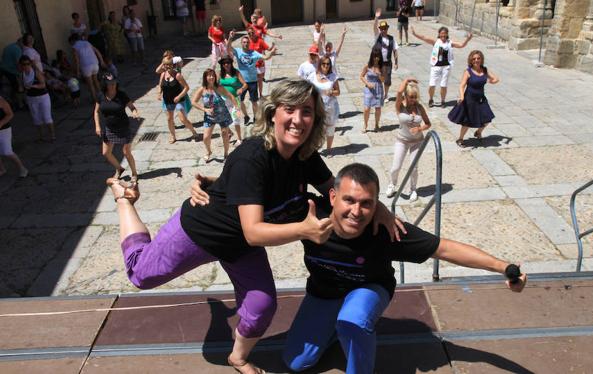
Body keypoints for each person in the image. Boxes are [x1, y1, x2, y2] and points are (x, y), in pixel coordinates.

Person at [107, 78, 400, 374]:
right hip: (202, 232)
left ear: (316, 118)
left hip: (241, 247)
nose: (298, 119)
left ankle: (238, 357)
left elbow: (337, 193)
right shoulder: (252, 156)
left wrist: (381, 209)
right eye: (290, 109)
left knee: (261, 306)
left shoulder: (304, 155)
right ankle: (125, 201)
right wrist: (304, 229)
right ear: (273, 113)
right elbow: (254, 230)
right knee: (140, 274)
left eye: (307, 111)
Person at [281, 163, 527, 374]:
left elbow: (445, 249)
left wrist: (503, 267)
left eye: (367, 203)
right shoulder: (310, 217)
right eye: (349, 200)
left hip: (369, 288)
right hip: (324, 292)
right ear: (333, 197)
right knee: (296, 362)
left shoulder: (386, 230)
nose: (356, 212)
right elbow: (254, 218)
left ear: (377, 205)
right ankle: (336, 327)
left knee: (352, 320)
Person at [386, 78, 431, 201]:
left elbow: (428, 123)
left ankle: (413, 189)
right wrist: (406, 80)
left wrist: (420, 129)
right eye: (411, 96)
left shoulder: (420, 108)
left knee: (414, 167)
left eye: (415, 97)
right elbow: (399, 93)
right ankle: (392, 184)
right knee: (396, 166)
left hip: (417, 142)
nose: (413, 99)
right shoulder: (400, 106)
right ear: (406, 95)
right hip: (402, 140)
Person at [411, 26, 472, 107]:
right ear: (439, 34)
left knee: (443, 85)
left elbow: (461, 45)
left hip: (446, 67)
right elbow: (423, 38)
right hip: (435, 66)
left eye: (445, 34)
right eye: (441, 33)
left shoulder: (450, 43)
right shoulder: (435, 42)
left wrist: (468, 39)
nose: (443, 35)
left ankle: (443, 101)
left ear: (447, 34)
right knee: (432, 84)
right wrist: (414, 33)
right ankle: (431, 99)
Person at [94, 73, 140, 182]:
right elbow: (96, 111)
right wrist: (97, 126)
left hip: (123, 127)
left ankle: (134, 173)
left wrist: (135, 113)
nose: (112, 85)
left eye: (114, 83)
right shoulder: (101, 95)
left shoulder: (121, 95)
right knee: (106, 153)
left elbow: (132, 107)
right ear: (105, 84)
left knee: (126, 152)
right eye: (110, 83)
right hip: (109, 128)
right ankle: (119, 169)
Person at [449, 50, 499, 147]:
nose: (476, 60)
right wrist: (462, 96)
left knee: (487, 118)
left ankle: (478, 132)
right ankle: (460, 139)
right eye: (474, 59)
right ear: (471, 60)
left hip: (481, 99)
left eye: (478, 58)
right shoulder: (468, 72)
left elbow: (496, 79)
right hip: (469, 100)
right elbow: (462, 85)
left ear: (481, 59)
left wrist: (491, 81)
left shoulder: (484, 70)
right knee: (467, 122)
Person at [191, 68, 240, 161]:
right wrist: (204, 109)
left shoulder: (219, 88)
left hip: (223, 115)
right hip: (210, 117)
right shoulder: (202, 89)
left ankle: (226, 153)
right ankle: (209, 151)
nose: (211, 77)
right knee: (205, 138)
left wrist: (236, 108)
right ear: (205, 77)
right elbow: (193, 102)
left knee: (224, 134)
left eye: (213, 75)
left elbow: (231, 96)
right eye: (209, 75)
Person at [226, 31, 275, 124]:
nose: (246, 44)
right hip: (241, 82)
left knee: (254, 101)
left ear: (249, 43)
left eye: (247, 42)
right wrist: (230, 38)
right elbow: (228, 47)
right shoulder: (238, 51)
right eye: (244, 42)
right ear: (241, 43)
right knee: (240, 101)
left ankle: (255, 118)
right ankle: (246, 116)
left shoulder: (254, 53)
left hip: (252, 81)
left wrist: (271, 53)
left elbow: (265, 57)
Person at [157, 57, 198, 144]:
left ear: (173, 65)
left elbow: (187, 88)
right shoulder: (163, 75)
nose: (168, 66)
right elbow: (160, 85)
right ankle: (173, 136)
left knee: (183, 119)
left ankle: (193, 132)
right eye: (165, 64)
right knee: (169, 119)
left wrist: (179, 97)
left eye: (169, 64)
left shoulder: (177, 75)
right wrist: (159, 93)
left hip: (179, 100)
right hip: (167, 100)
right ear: (163, 65)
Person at [18, 55, 55, 142]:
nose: (26, 66)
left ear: (30, 64)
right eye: (24, 64)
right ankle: (41, 137)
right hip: (31, 98)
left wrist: (33, 86)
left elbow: (43, 85)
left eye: (28, 64)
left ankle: (52, 136)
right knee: (36, 118)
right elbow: (20, 87)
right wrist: (21, 89)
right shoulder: (21, 75)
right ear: (21, 65)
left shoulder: (36, 73)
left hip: (43, 97)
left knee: (47, 117)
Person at [311, 56, 340, 155]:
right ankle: (315, 148)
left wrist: (331, 91)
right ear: (320, 64)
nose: (326, 66)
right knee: (316, 128)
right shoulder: (313, 76)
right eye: (324, 64)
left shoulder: (333, 76)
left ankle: (329, 149)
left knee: (330, 128)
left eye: (328, 64)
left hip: (330, 107)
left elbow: (338, 92)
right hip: (317, 106)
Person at [69, 33, 106, 102]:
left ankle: (94, 98)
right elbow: (97, 51)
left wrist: (77, 71)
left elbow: (76, 60)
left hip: (86, 66)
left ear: (73, 41)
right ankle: (101, 96)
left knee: (90, 83)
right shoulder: (87, 43)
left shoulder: (75, 47)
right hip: (95, 63)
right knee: (96, 80)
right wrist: (102, 61)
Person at [218, 56, 247, 145]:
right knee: (222, 119)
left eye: (228, 63)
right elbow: (216, 85)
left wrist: (241, 89)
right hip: (223, 100)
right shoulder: (220, 74)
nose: (226, 65)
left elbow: (245, 84)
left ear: (231, 64)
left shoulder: (236, 73)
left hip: (235, 100)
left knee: (236, 119)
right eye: (224, 63)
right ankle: (230, 132)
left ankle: (239, 138)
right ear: (222, 65)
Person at [372, 9, 398, 103]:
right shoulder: (377, 37)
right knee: (378, 79)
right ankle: (379, 94)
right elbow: (374, 27)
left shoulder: (391, 39)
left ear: (387, 29)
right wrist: (376, 17)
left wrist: (396, 63)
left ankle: (386, 95)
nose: (383, 30)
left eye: (385, 28)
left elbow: (395, 50)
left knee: (387, 80)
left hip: (387, 63)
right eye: (381, 28)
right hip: (378, 63)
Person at [0, 96, 28, 178]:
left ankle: (22, 168)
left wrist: (1, 123)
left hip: (4, 130)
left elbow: (10, 114)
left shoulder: (1, 101)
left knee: (7, 151)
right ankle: (2, 170)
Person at [360, 47, 384, 133]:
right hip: (369, 88)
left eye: (378, 57)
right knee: (367, 108)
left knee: (378, 108)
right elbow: (361, 76)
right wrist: (367, 83)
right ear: (372, 56)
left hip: (378, 88)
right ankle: (365, 124)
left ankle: (377, 124)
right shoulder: (368, 66)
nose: (376, 58)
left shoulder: (381, 67)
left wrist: (379, 74)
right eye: (375, 56)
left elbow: (383, 80)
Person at [247, 27, 276, 98]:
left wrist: (272, 47)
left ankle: (260, 94)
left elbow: (268, 49)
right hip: (251, 65)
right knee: (254, 81)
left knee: (260, 80)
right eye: (249, 33)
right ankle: (255, 94)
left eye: (252, 33)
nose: (251, 34)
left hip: (260, 64)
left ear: (254, 32)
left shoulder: (260, 41)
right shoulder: (247, 42)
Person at [0, 38, 24, 109]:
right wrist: (21, 73)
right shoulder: (17, 49)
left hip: (3, 71)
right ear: (21, 42)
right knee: (18, 88)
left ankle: (11, 104)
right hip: (12, 72)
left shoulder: (8, 47)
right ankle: (20, 105)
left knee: (8, 90)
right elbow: (18, 63)